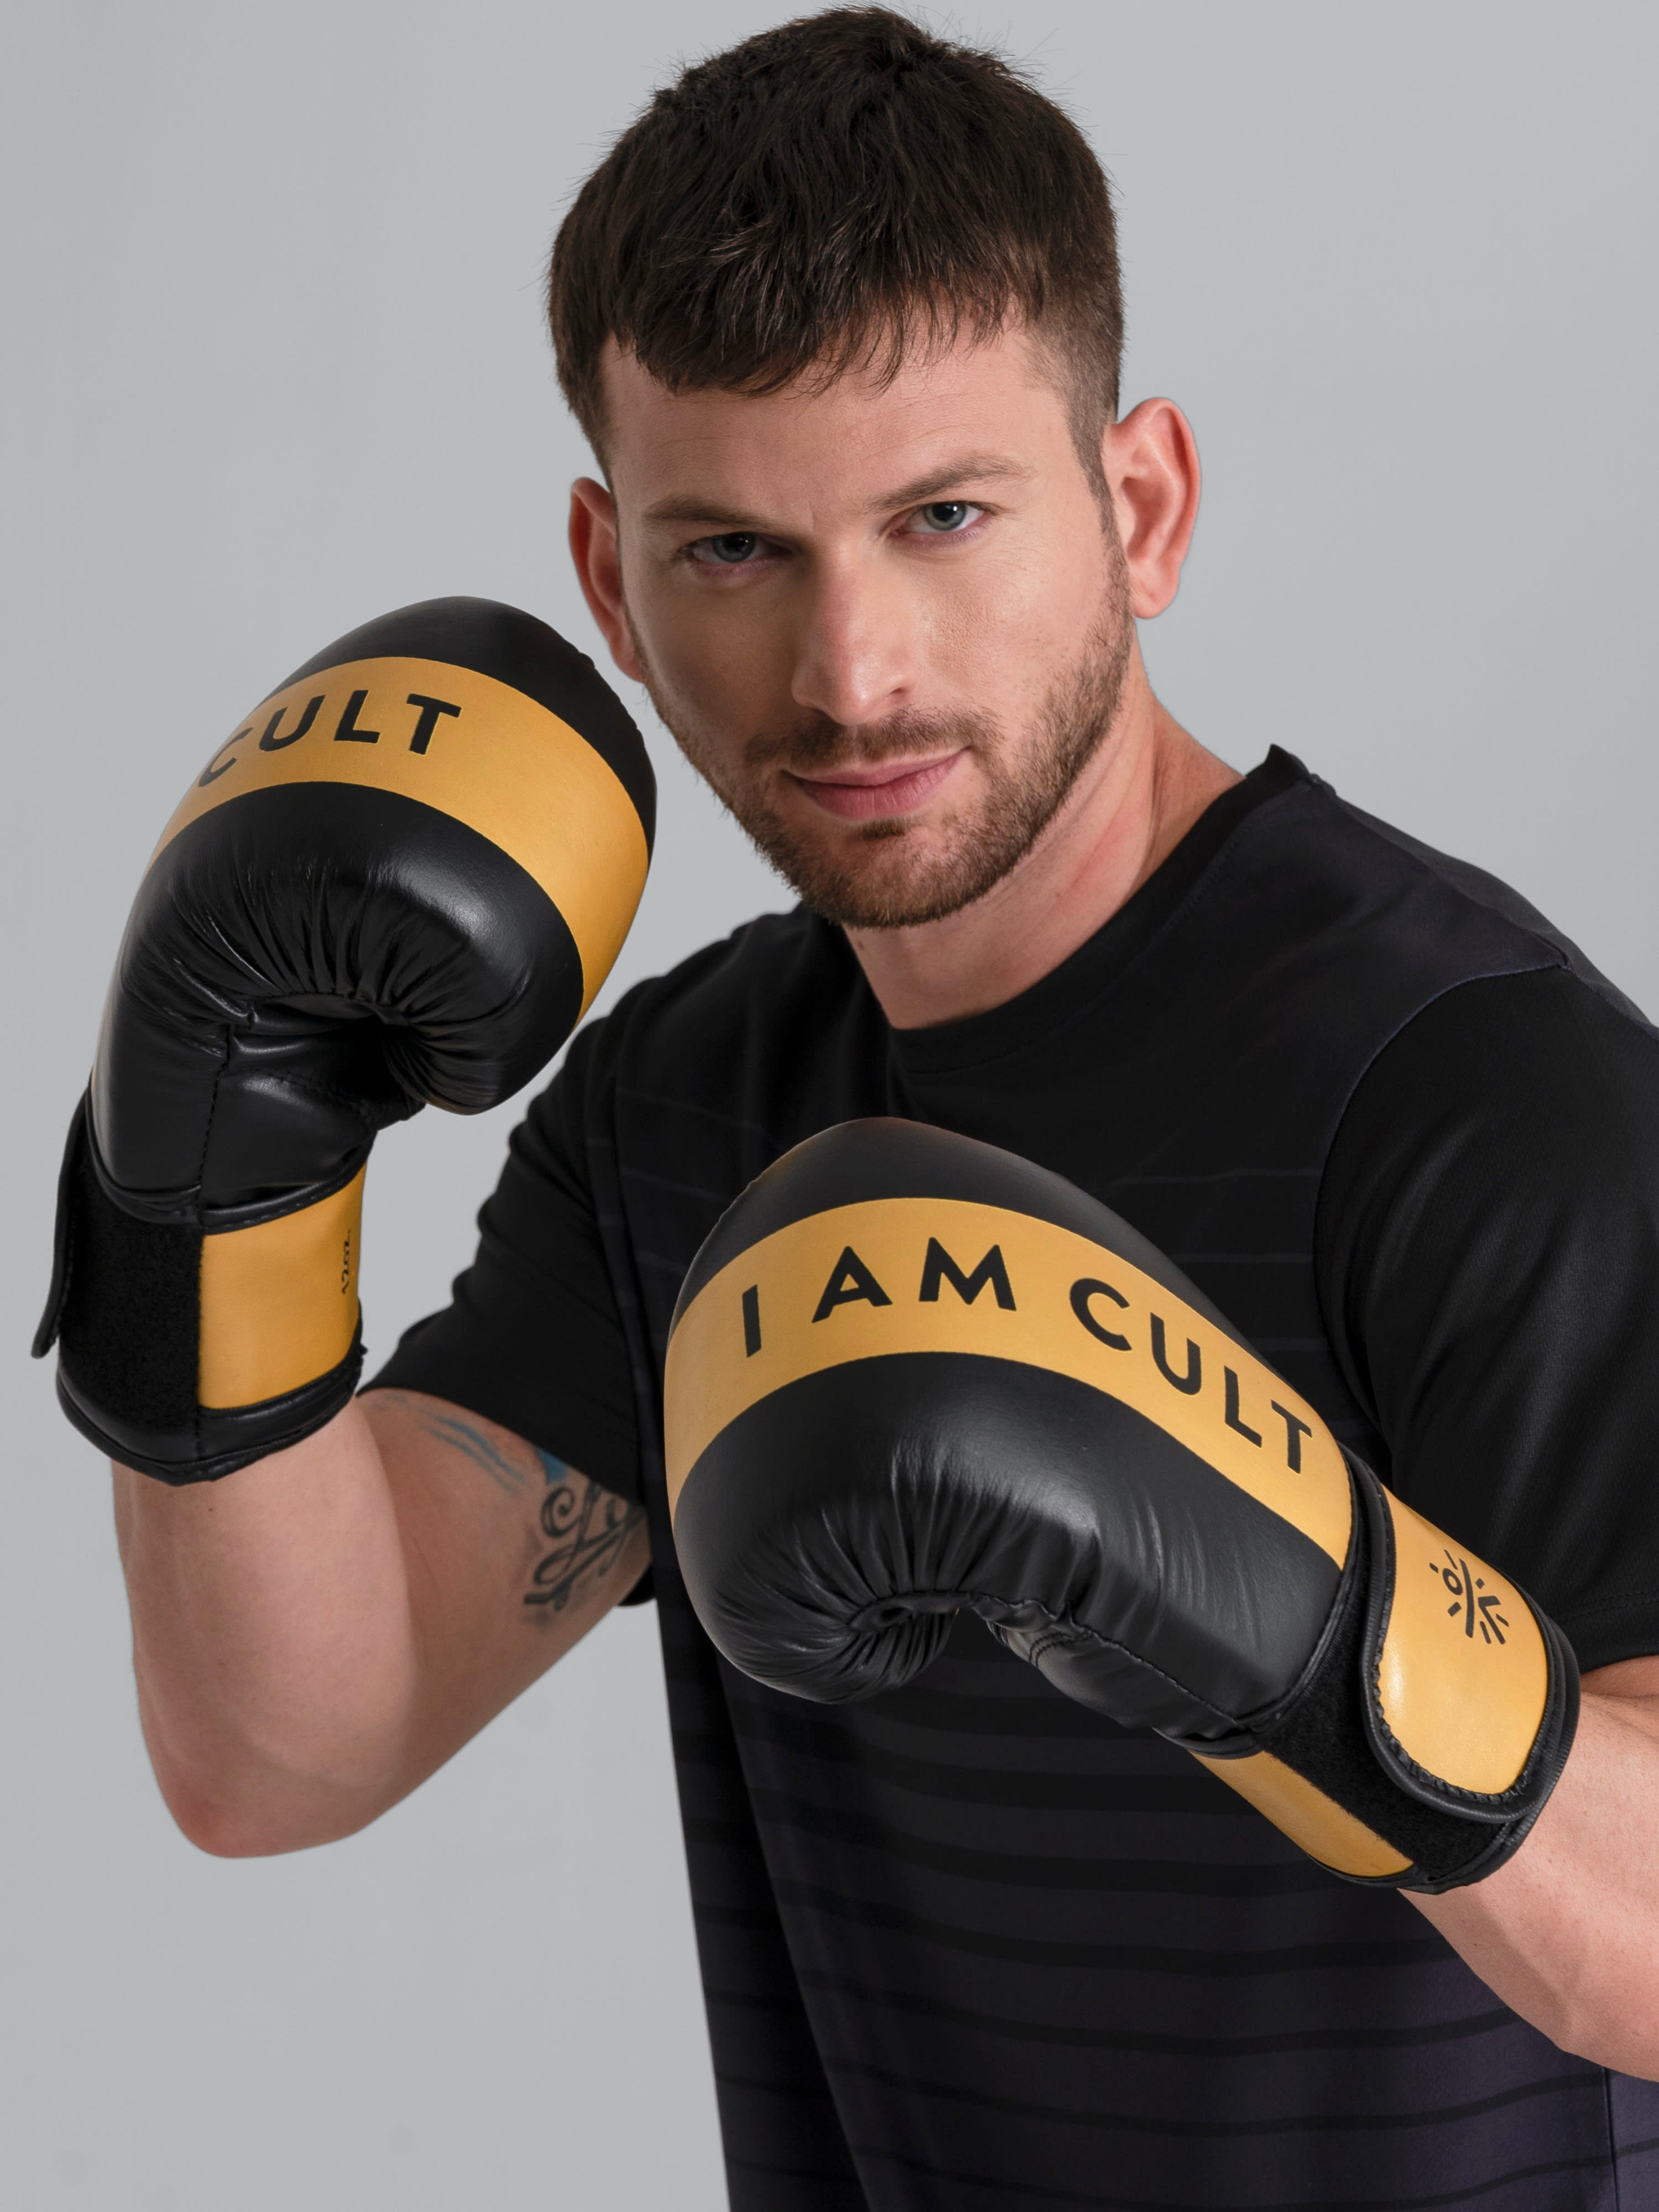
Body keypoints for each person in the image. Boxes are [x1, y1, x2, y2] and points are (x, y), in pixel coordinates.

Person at [41, 9, 1659, 2206]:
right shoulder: (683, 1107)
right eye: (736, 551)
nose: (852, 672)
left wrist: (1297, 1623)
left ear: (1143, 507)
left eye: (944, 515)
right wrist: (197, 1176)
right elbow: (280, 1748)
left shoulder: (1472, 1090)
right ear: (610, 583)